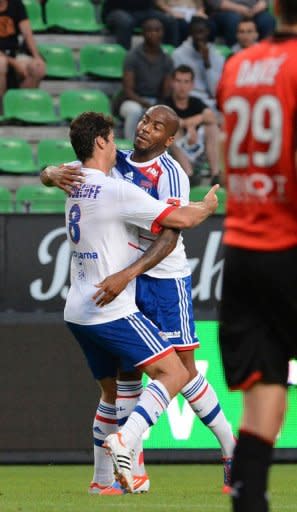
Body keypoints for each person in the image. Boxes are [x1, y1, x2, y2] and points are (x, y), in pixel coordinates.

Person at [42, 105, 235, 495]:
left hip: (160, 277)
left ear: (169, 139)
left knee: (183, 369)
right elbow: (62, 171)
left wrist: (128, 273)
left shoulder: (172, 175)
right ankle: (132, 466)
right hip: (120, 281)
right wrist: (47, 173)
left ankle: (230, 449)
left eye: (156, 126)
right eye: (145, 120)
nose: (144, 128)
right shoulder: (115, 162)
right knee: (128, 376)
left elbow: (171, 234)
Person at [216, 0, 297, 510]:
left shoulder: (237, 64)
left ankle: (250, 501)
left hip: (242, 246)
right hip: (289, 244)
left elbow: (225, 163)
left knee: (263, 387)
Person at [117, 18, 173, 141]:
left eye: (157, 30)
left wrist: (158, 105)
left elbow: (167, 90)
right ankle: (131, 146)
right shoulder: (132, 56)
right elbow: (128, 90)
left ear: (163, 33)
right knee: (134, 111)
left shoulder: (167, 59)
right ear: (142, 33)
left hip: (155, 101)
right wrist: (146, 104)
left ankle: (162, 152)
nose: (154, 33)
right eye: (149, 30)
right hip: (132, 100)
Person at [165, 64, 221, 184]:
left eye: (186, 82)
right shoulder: (166, 102)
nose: (182, 86)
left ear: (192, 85)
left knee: (212, 127)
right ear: (172, 83)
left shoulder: (196, 102)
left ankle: (216, 174)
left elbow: (212, 117)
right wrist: (190, 125)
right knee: (172, 129)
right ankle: (189, 175)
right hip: (174, 154)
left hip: (197, 149)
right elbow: (169, 120)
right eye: (179, 81)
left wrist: (191, 123)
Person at [172, 16, 225, 111]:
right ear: (191, 33)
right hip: (187, 99)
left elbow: (215, 91)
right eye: (196, 32)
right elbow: (177, 87)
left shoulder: (217, 56)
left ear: (208, 32)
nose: (198, 37)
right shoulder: (178, 54)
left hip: (208, 101)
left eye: (202, 32)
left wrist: (207, 63)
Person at [0, 0, 45, 103]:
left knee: (38, 67)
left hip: (13, 53)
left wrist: (37, 57)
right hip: (3, 58)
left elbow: (27, 34)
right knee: (1, 63)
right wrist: (14, 63)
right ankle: (2, 110)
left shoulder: (16, 4)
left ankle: (22, 105)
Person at [101, 0, 179, 49]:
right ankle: (125, 61)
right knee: (126, 22)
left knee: (169, 21)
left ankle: (171, 56)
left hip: (142, 11)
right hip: (116, 10)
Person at [206, 0, 275, 47]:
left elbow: (264, 1)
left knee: (267, 20)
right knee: (233, 20)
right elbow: (214, 2)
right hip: (227, 11)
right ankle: (235, 56)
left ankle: (267, 54)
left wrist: (260, 6)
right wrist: (240, 9)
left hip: (255, 10)